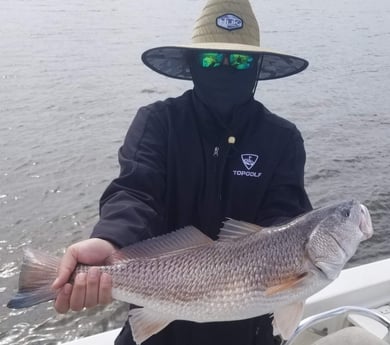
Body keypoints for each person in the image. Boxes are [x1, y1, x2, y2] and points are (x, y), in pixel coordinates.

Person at [52, 0, 312, 344]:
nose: (224, 67)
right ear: (191, 64)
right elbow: (135, 192)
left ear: (256, 66)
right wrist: (110, 239)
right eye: (210, 59)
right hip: (160, 317)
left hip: (248, 321)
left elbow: (287, 221)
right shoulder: (159, 123)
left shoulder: (281, 138)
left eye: (239, 59)